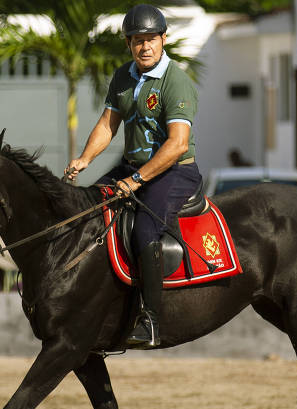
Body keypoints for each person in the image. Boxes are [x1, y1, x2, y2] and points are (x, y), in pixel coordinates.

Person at [64, 4, 201, 347]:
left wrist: (136, 181)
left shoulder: (176, 82)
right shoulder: (124, 76)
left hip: (174, 172)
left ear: (164, 39)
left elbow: (177, 144)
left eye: (151, 39)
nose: (145, 47)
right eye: (138, 40)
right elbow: (108, 125)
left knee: (143, 228)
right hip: (132, 168)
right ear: (128, 44)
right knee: (87, 209)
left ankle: (152, 320)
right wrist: (84, 159)